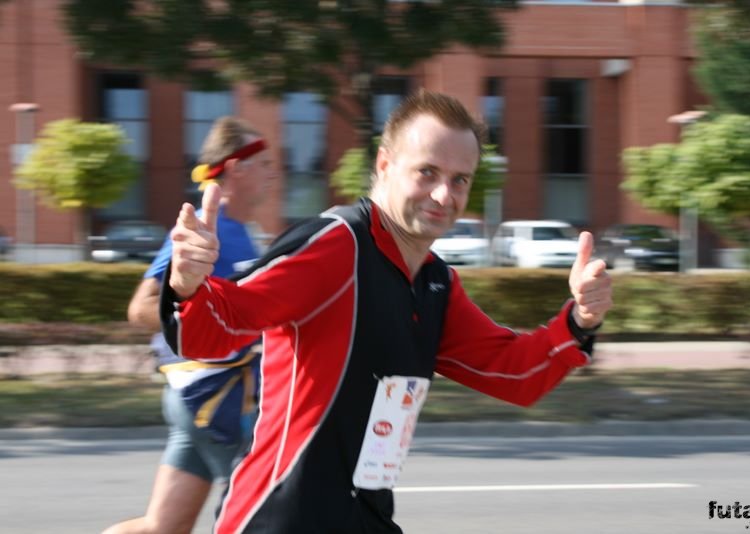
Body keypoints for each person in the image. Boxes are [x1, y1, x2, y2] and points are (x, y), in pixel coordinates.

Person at [160, 91, 613, 533]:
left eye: (460, 179)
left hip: (366, 514)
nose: (443, 195)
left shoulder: (436, 283)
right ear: (384, 165)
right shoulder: (336, 246)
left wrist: (579, 321)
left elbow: (516, 373)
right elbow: (215, 328)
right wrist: (186, 284)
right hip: (284, 515)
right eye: (427, 172)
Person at [103, 116, 275, 534]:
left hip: (211, 402)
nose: (273, 173)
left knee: (162, 528)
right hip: (213, 403)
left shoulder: (241, 234)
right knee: (269, 516)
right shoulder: (203, 228)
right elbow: (141, 307)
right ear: (238, 169)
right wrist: (202, 323)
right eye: (265, 164)